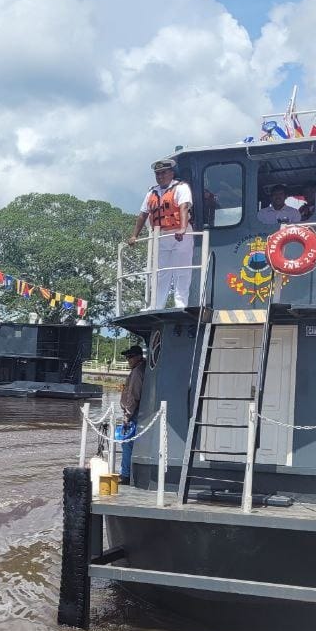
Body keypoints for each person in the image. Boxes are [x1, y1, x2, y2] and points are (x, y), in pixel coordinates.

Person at [130, 159, 194, 308]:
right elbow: (143, 215)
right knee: (161, 272)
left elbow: (184, 207)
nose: (160, 176)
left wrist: (183, 228)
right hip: (161, 235)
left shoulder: (181, 188)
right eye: (157, 174)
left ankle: (180, 304)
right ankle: (157, 305)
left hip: (180, 235)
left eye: (163, 173)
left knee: (182, 271)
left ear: (171, 173)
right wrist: (134, 235)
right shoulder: (152, 192)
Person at [118, 344, 145, 484]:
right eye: (127, 357)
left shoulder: (136, 372)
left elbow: (133, 395)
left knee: (126, 443)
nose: (128, 359)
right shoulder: (139, 369)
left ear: (138, 357)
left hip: (133, 414)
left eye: (130, 357)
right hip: (136, 413)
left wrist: (127, 416)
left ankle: (126, 475)